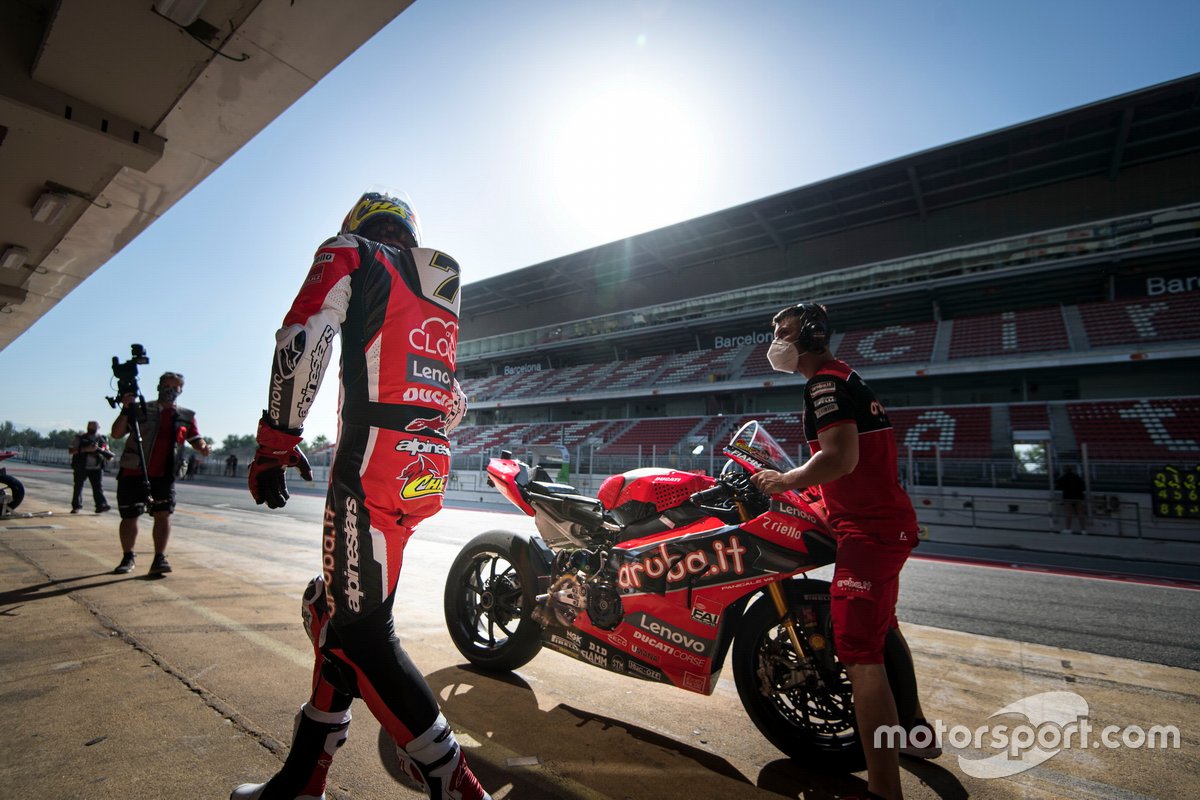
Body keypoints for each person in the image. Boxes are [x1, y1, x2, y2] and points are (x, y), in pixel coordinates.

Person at [231, 190, 482, 800]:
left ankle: (457, 789)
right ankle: (300, 780)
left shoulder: (353, 252)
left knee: (364, 634)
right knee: (333, 615)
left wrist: (275, 441)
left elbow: (304, 337)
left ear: (360, 225)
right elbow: (453, 404)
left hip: (366, 469)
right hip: (423, 469)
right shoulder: (438, 282)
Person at [750, 302, 936, 800]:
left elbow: (840, 458)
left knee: (860, 655)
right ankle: (915, 731)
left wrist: (785, 479)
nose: (775, 339)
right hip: (878, 523)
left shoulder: (824, 385)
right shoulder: (840, 377)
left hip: (871, 531)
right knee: (883, 633)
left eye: (782, 330)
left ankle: (883, 790)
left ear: (809, 334)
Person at [110, 371, 211, 576]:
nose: (171, 391)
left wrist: (202, 446)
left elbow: (195, 438)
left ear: (181, 390)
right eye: (167, 386)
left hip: (165, 474)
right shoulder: (141, 409)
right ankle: (128, 556)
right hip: (134, 470)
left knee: (163, 515)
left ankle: (159, 558)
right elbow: (117, 433)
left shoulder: (186, 416)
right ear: (159, 386)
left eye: (175, 388)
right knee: (130, 516)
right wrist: (126, 409)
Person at [68, 420, 111, 514]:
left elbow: (106, 450)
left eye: (94, 427)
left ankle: (101, 505)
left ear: (98, 428)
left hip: (97, 467)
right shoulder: (80, 438)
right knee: (78, 487)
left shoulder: (102, 439)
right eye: (90, 427)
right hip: (81, 466)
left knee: (98, 487)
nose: (92, 429)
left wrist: (106, 455)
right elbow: (71, 451)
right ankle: (76, 506)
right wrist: (85, 449)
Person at [1056, 465, 1087, 534]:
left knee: (1068, 513)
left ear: (1064, 470)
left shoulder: (1063, 477)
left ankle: (1068, 529)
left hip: (1068, 497)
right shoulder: (1077, 477)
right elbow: (1083, 486)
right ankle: (1083, 530)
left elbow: (1058, 485)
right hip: (1078, 496)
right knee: (1080, 513)